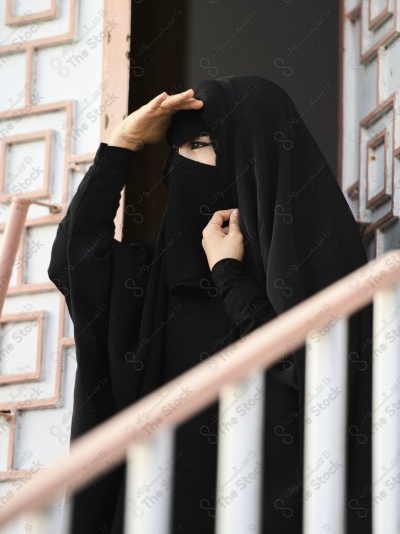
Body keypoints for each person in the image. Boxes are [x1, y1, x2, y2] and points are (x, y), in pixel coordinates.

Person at [47, 74, 372, 534]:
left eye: (200, 144)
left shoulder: (315, 271)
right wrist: (122, 145)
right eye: (175, 151)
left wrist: (230, 277)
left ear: (254, 155)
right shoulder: (154, 284)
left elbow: (314, 371)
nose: (181, 165)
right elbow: (72, 261)